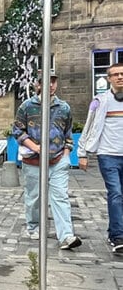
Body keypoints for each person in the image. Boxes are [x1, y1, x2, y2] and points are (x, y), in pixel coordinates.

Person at [13, 71, 82, 250]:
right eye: (45, 82)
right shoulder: (27, 107)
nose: (50, 85)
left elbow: (68, 133)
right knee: (34, 197)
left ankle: (66, 235)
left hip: (58, 159)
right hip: (33, 161)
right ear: (37, 85)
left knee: (60, 197)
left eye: (53, 82)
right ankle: (34, 226)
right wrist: (35, 147)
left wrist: (67, 153)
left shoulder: (63, 107)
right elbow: (18, 131)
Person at [77, 62, 123, 255]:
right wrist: (82, 153)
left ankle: (114, 231)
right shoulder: (99, 100)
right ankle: (118, 236)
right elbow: (89, 126)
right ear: (109, 78)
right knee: (116, 193)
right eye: (115, 74)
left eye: (122, 74)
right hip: (108, 155)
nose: (120, 77)